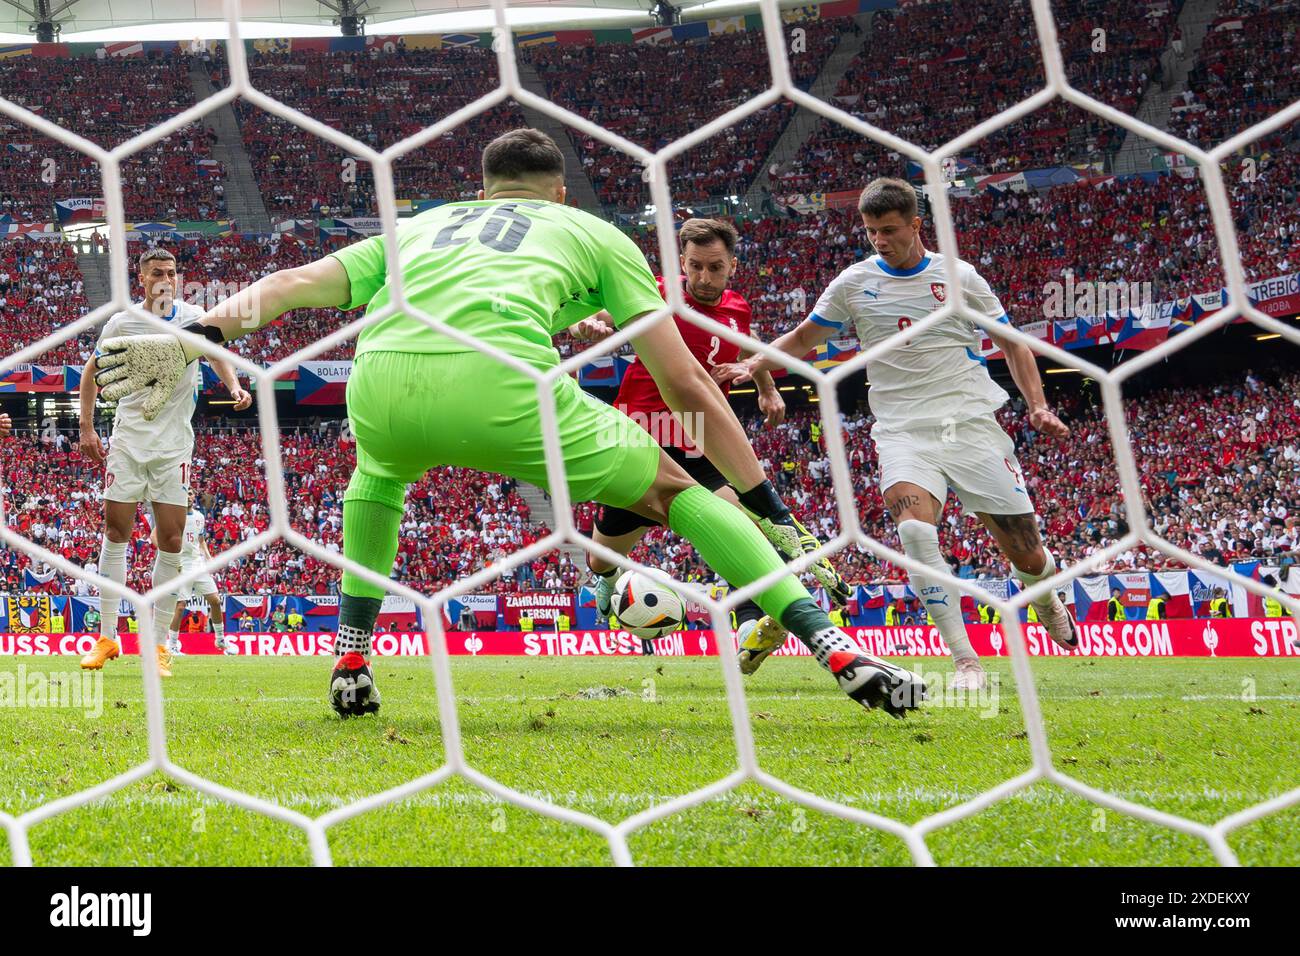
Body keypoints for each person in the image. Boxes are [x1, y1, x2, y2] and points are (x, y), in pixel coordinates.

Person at [95, 128, 925, 720]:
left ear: (483, 189)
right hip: (506, 387)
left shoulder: (420, 225)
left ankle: (350, 660)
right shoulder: (593, 233)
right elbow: (686, 387)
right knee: (674, 490)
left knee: (375, 479)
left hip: (382, 387)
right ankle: (834, 646)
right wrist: (768, 507)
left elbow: (299, 281)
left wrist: (207, 332)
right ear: (559, 193)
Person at [716, 178, 1078, 691]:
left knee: (1026, 552)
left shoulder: (960, 278)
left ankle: (1043, 596)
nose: (879, 240)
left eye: (888, 230)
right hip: (903, 432)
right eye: (870, 232)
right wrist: (754, 363)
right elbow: (803, 339)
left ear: (915, 224)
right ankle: (965, 661)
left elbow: (1013, 345)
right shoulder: (853, 283)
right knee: (913, 531)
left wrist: (1037, 405)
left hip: (971, 426)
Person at [583, 217, 849, 658]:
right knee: (602, 556)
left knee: (744, 529)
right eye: (695, 266)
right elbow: (598, 314)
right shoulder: (655, 291)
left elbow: (745, 348)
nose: (704, 278)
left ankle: (748, 630)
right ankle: (608, 581)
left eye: (715, 267)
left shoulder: (737, 309)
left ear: (733, 267)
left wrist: (765, 388)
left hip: (703, 441)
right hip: (644, 439)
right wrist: (589, 325)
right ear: (681, 263)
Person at [78, 248, 251, 677]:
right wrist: (86, 427)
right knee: (116, 532)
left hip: (174, 446)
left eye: (172, 273)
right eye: (157, 272)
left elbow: (216, 353)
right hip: (129, 442)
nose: (166, 279)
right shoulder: (123, 322)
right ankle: (107, 638)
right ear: (142, 279)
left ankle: (156, 647)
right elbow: (91, 372)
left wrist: (232, 384)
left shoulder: (194, 316)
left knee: (171, 541)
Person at [158, 487, 232, 655]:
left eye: (190, 494)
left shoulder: (199, 517)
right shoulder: (174, 516)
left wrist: (208, 556)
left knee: (215, 601)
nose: (188, 497)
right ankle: (173, 646)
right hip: (181, 564)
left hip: (197, 563)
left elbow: (201, 540)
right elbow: (159, 538)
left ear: (194, 497)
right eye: (185, 494)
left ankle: (220, 640)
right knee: (180, 605)